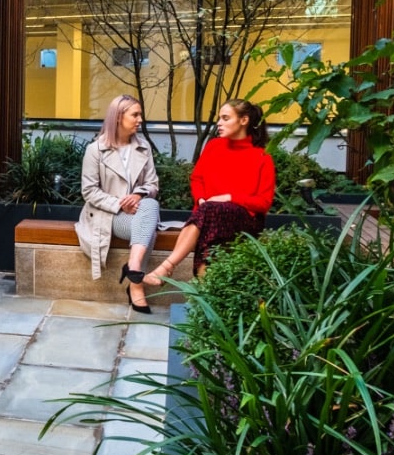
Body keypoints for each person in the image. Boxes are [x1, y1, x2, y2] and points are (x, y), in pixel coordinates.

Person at [145, 98, 275, 285]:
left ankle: (167, 268)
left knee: (209, 213)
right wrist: (202, 199)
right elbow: (197, 178)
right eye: (219, 119)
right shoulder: (214, 146)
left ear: (244, 120)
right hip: (210, 215)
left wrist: (229, 198)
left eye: (225, 118)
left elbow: (263, 203)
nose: (219, 124)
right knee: (209, 218)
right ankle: (203, 295)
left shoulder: (262, 157)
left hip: (247, 220)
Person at [77, 94, 161, 313]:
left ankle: (133, 272)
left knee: (150, 207)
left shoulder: (143, 148)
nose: (140, 119)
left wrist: (139, 195)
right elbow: (89, 191)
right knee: (148, 228)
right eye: (135, 114)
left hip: (138, 212)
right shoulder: (95, 150)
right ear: (118, 117)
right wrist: (120, 203)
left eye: (140, 114)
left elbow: (153, 183)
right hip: (107, 215)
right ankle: (136, 285)